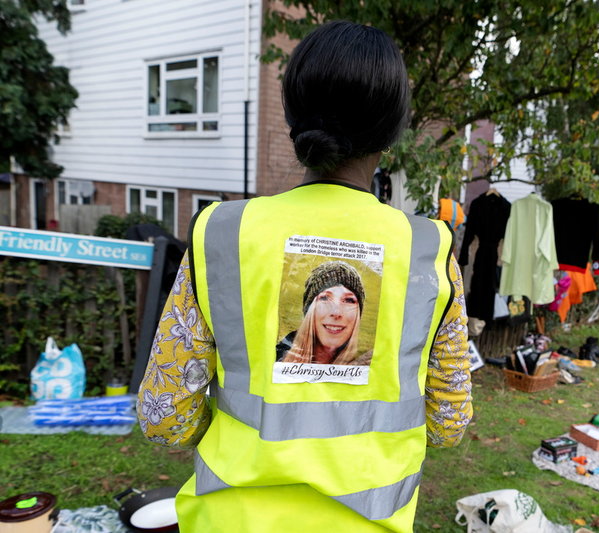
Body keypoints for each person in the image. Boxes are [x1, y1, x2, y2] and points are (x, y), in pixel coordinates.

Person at [137, 20, 472, 532]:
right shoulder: (430, 249)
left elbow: (165, 418)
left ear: (293, 116)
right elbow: (449, 423)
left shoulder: (222, 234)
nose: (337, 310)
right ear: (393, 128)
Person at [277, 260, 370, 365]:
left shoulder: (370, 368)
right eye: (325, 298)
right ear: (310, 310)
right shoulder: (274, 360)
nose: (336, 312)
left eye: (348, 300)